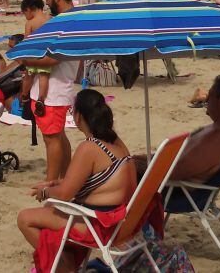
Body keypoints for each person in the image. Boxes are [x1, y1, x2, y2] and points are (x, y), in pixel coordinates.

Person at [17, 89, 134, 273]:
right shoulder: (115, 141)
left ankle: (63, 267)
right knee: (49, 209)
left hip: (99, 226)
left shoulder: (89, 147)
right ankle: (65, 262)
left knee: (25, 219)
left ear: (78, 117)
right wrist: (53, 184)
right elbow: (89, 180)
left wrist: (45, 192)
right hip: (120, 221)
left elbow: (65, 194)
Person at [15, 0, 80, 181]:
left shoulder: (68, 22)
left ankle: (52, 184)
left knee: (52, 139)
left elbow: (52, 60)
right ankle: (64, 178)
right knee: (58, 136)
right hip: (56, 88)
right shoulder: (67, 19)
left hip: (55, 91)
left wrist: (24, 59)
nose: (46, 2)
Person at [136, 75, 220, 183]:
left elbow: (172, 172)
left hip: (165, 188)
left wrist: (133, 165)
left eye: (210, 96)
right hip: (162, 169)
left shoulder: (218, 142)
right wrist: (135, 159)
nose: (206, 100)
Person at [19, 0, 53, 115]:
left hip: (33, 54)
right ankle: (41, 99)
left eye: (25, 14)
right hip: (45, 54)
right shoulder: (50, 19)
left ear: (28, 9)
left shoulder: (30, 23)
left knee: (29, 75)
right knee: (44, 76)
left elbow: (26, 41)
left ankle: (24, 95)